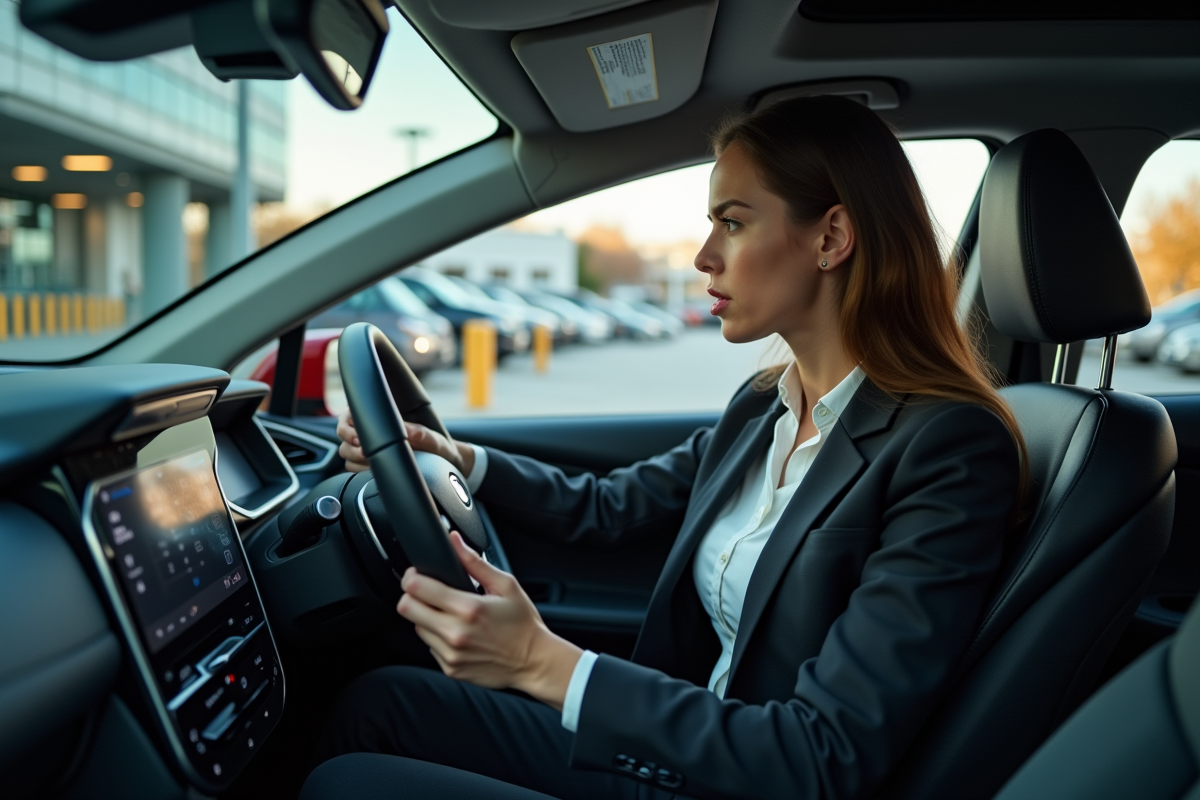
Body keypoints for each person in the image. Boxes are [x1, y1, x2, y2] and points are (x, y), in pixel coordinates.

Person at [306, 95, 1027, 800]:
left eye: (734, 224)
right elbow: (609, 508)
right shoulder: (761, 408)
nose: (703, 257)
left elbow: (824, 757)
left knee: (348, 782)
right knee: (379, 704)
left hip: (740, 775)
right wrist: (461, 462)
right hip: (676, 744)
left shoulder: (950, 446)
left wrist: (539, 661)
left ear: (831, 238)